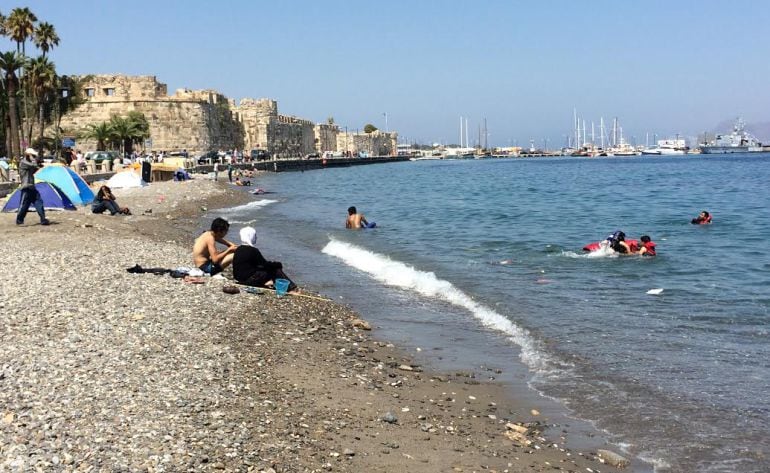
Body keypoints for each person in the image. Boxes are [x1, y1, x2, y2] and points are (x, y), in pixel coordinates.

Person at [233, 227, 297, 292]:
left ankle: (272, 282)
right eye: (255, 235)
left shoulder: (239, 249)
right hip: (247, 281)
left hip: (239, 279)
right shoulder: (253, 250)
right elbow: (264, 264)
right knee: (275, 270)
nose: (256, 237)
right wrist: (277, 264)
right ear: (250, 236)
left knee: (266, 269)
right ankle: (291, 289)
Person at [16, 148, 50, 226]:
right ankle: (19, 221)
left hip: (32, 186)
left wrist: (39, 165)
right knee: (24, 205)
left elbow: (35, 169)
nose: (34, 157)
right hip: (26, 186)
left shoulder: (29, 163)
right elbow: (33, 165)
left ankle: (43, 219)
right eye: (33, 155)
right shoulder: (23, 162)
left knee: (39, 202)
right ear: (28, 155)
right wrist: (37, 162)